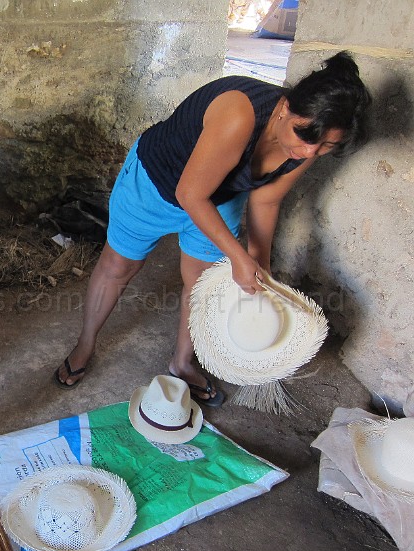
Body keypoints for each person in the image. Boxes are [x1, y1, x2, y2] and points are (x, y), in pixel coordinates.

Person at [54, 52, 371, 405]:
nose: (310, 150)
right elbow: (190, 193)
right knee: (118, 267)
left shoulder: (304, 148)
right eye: (306, 135)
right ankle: (85, 344)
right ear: (284, 107)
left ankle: (182, 363)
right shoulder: (238, 114)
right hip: (157, 183)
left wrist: (258, 264)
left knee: (203, 283)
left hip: (221, 196)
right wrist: (238, 256)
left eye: (327, 145)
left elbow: (265, 200)